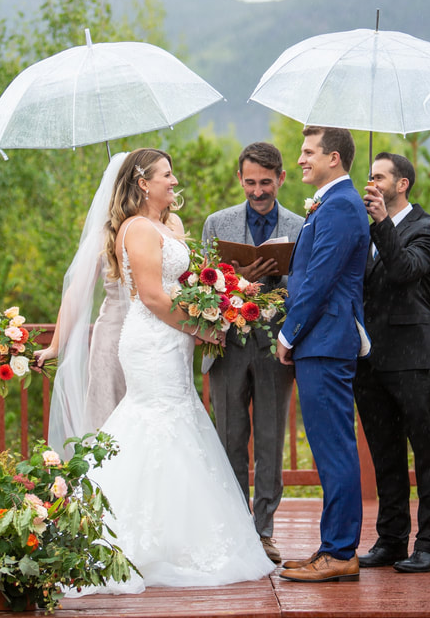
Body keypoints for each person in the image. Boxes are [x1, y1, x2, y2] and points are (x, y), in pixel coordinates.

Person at [56, 148, 275, 595]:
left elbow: (192, 280)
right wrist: (202, 327)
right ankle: (125, 539)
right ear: (143, 183)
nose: (174, 182)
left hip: (174, 340)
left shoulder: (170, 225)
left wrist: (227, 294)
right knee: (151, 420)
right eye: (167, 175)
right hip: (150, 339)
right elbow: (154, 297)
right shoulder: (136, 229)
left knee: (182, 419)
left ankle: (179, 535)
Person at [201, 142, 304, 563]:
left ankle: (263, 531)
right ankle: (235, 529)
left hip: (276, 346)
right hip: (227, 345)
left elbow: (308, 284)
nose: (258, 191)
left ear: (280, 178)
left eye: (265, 182)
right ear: (239, 179)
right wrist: (237, 277)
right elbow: (200, 283)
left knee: (268, 440)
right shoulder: (216, 222)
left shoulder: (300, 225)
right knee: (229, 439)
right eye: (250, 182)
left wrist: (282, 277)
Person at [276, 126, 370, 583]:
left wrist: (288, 334)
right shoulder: (332, 204)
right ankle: (331, 547)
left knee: (334, 449)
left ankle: (340, 551)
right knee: (329, 447)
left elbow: (318, 279)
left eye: (308, 152)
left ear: (334, 158)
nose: (300, 159)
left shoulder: (340, 207)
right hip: (323, 341)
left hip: (325, 341)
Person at [354, 152, 430, 573]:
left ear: (402, 184)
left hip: (414, 361)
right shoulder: (367, 229)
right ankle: (391, 540)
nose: (371, 183)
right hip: (370, 361)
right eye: (369, 176)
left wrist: (380, 225)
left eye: (379, 177)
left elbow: (405, 270)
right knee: (385, 456)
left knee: (426, 455)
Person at [34, 152, 130, 455]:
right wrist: (54, 346)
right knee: (107, 420)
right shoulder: (104, 234)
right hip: (113, 336)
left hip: (158, 339)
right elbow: (76, 293)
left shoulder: (169, 224)